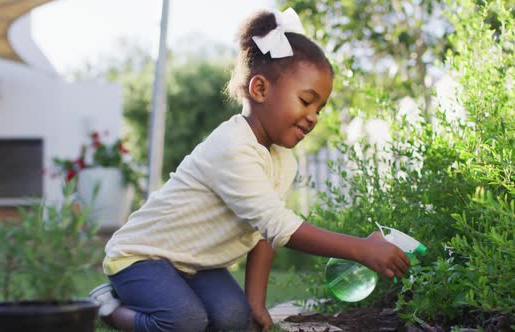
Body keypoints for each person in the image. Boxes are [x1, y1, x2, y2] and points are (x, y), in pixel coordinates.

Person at [90, 7, 410, 332]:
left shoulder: (283, 160)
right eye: (305, 100)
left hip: (195, 264)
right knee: (184, 322)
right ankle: (107, 307)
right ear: (260, 90)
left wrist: (255, 302)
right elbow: (279, 225)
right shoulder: (232, 146)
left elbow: (263, 234)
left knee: (234, 319)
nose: (314, 116)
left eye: (320, 108)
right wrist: (360, 248)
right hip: (142, 256)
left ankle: (176, 297)